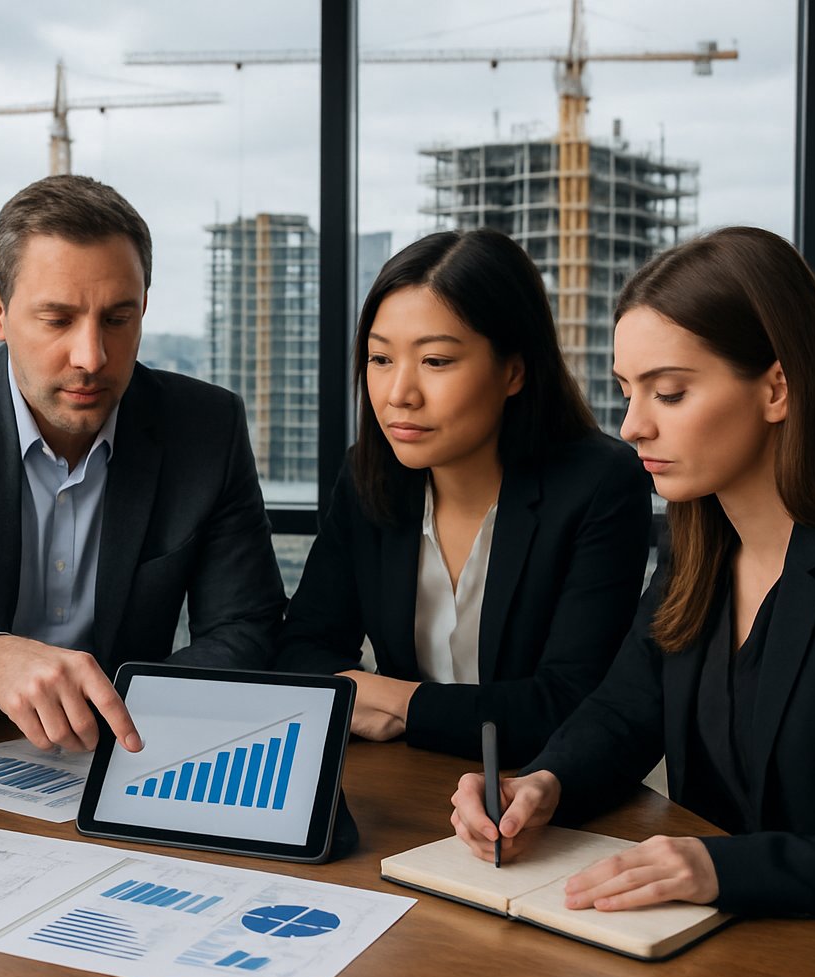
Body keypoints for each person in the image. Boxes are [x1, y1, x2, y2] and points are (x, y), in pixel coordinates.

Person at [447, 226, 815, 977]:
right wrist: (543, 785)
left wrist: (717, 869)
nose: (632, 427)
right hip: (708, 963)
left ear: (777, 389)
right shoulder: (697, 541)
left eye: (670, 391)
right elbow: (625, 713)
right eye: (627, 390)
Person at [0, 174, 285, 753]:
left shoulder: (205, 426)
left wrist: (125, 709)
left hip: (125, 743)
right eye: (58, 320)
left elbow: (246, 626)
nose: (92, 357)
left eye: (117, 318)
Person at [275, 229, 652, 765]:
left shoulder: (600, 484)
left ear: (513, 371)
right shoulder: (368, 473)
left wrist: (398, 699)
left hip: (537, 795)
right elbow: (300, 654)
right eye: (380, 360)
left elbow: (570, 704)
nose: (399, 393)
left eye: (435, 361)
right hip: (403, 784)